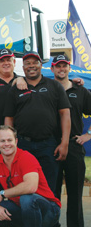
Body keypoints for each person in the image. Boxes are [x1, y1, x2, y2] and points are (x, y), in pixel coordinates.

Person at [4, 51, 71, 193]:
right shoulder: (15, 89)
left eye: (35, 62)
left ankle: (48, 215)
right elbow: (9, 118)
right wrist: (10, 143)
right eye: (27, 63)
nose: (31, 66)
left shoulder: (55, 86)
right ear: (23, 68)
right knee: (23, 187)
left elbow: (65, 114)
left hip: (48, 145)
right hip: (23, 145)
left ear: (41, 65)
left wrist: (64, 143)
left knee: (48, 188)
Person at [0, 125, 61, 227]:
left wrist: (2, 194)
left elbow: (31, 187)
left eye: (9, 140)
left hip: (49, 210)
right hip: (22, 209)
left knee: (26, 199)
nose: (6, 144)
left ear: (16, 141)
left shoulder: (26, 157)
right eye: (2, 141)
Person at [51, 54, 91, 227]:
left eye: (64, 65)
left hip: (74, 146)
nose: (61, 69)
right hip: (51, 145)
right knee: (52, 194)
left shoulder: (81, 90)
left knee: (75, 195)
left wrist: (88, 134)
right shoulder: (48, 88)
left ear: (69, 68)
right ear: (52, 68)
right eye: (58, 66)